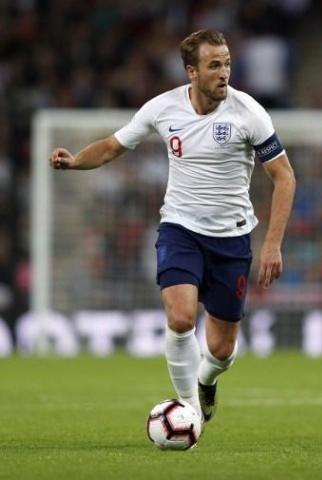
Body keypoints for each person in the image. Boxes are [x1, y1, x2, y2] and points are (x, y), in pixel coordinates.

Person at [49, 29, 296, 424]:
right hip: (180, 228)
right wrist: (76, 160)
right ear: (191, 72)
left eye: (227, 63)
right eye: (214, 65)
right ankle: (190, 413)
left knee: (221, 350)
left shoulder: (248, 113)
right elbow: (114, 145)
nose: (224, 72)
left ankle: (206, 380)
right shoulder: (162, 109)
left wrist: (272, 244)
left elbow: (284, 177)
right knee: (180, 318)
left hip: (232, 238)